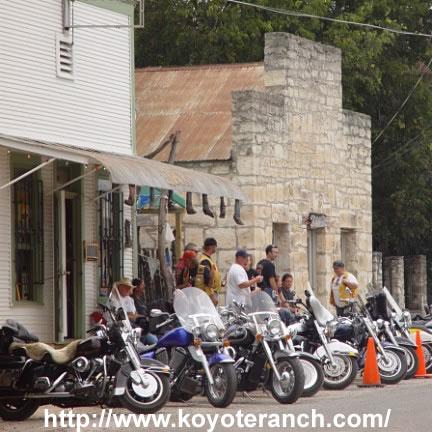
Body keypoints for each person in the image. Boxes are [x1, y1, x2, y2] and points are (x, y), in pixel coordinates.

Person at [131, 278, 158, 345]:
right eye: (142, 285)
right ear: (136, 287)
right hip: (139, 330)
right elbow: (133, 315)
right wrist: (144, 317)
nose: (144, 287)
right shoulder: (132, 300)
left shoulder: (141, 298)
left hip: (146, 329)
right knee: (156, 343)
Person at [195, 238, 221, 305]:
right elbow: (207, 281)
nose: (216, 248)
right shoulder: (205, 261)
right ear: (212, 246)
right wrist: (212, 295)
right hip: (208, 294)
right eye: (215, 246)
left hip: (211, 292)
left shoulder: (207, 259)